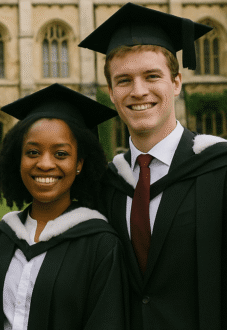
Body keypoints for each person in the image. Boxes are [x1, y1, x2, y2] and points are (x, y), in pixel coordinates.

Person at [79, 3, 227, 329]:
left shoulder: (221, 170)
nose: (139, 91)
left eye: (152, 76)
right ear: (111, 93)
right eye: (124, 80)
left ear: (176, 82)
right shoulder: (105, 185)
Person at [0, 83, 128, 329]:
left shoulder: (100, 246)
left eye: (60, 154)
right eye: (33, 152)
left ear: (79, 163)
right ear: (19, 159)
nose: (45, 164)